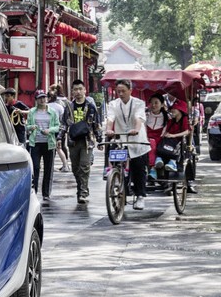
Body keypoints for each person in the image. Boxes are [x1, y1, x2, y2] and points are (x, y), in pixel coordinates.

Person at [104, 78, 150, 210]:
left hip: (137, 139)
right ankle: (116, 181)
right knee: (114, 158)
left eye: (123, 91)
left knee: (138, 167)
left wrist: (136, 129)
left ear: (130, 90)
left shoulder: (138, 103)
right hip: (121, 139)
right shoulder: (113, 104)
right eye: (118, 91)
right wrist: (109, 129)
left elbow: (139, 117)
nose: (121, 94)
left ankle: (140, 196)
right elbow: (110, 118)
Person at [68, 79, 100, 204]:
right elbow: (64, 124)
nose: (78, 92)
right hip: (73, 141)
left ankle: (83, 192)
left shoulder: (90, 107)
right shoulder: (69, 107)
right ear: (72, 91)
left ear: (85, 90)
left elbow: (96, 124)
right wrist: (59, 138)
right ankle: (80, 187)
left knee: (85, 166)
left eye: (80, 89)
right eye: (75, 89)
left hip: (87, 141)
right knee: (75, 168)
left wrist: (99, 138)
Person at [26, 90, 60, 203]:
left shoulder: (52, 112)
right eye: (40, 98)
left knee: (48, 169)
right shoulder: (32, 112)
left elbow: (57, 126)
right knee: (35, 167)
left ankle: (46, 193)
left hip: (49, 143)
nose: (42, 100)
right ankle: (34, 191)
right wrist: (31, 127)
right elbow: (27, 126)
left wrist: (49, 130)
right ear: (36, 100)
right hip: (35, 143)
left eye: (44, 97)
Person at [145, 93, 168, 182]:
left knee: (153, 144)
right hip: (146, 139)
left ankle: (153, 168)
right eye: (151, 103)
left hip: (161, 140)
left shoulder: (167, 117)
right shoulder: (145, 115)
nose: (153, 105)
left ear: (162, 104)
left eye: (156, 103)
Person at [48, 87, 70, 172]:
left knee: (51, 148)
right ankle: (65, 165)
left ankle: (51, 166)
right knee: (60, 148)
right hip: (59, 129)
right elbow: (63, 119)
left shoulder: (46, 107)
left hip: (49, 130)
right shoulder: (60, 107)